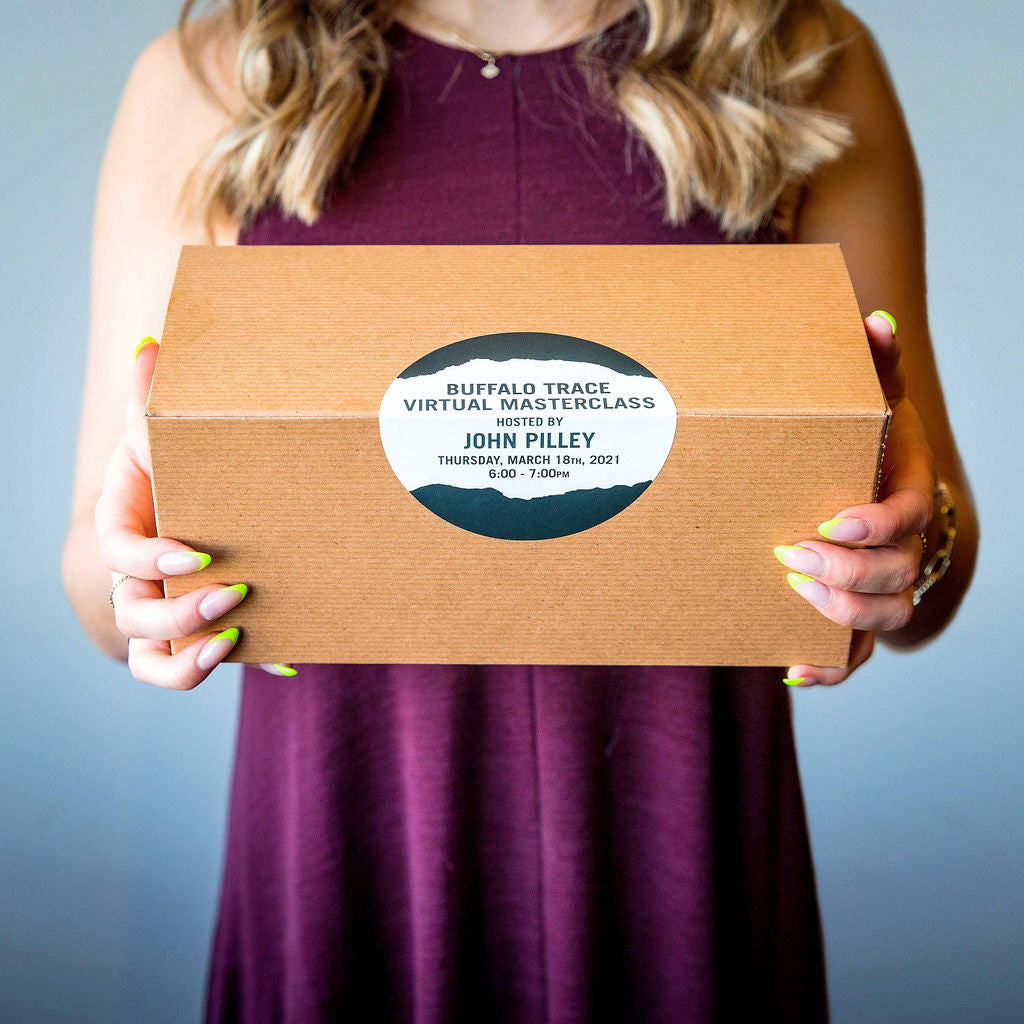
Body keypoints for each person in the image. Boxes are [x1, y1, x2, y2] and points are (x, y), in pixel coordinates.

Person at [62, 0, 978, 1020]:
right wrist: (143, 585)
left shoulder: (802, 53)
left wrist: (909, 543)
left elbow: (935, 546)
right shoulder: (207, 78)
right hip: (347, 841)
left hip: (681, 844)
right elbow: (96, 587)